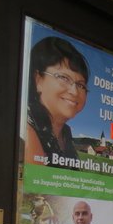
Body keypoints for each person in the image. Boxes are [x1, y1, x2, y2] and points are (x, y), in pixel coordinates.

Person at [25, 36, 89, 168]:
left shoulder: (66, 133)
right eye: (64, 78)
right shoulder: (27, 129)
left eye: (81, 85)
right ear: (38, 80)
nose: (75, 91)